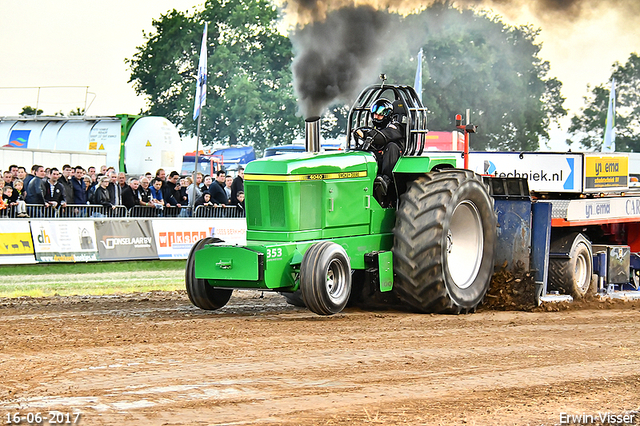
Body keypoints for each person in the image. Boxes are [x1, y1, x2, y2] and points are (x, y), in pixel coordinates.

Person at [354, 98, 404, 198]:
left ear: (387, 115)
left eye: (380, 115)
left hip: (395, 163)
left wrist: (365, 134)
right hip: (378, 160)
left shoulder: (396, 127)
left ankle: (385, 182)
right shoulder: (374, 129)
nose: (376, 117)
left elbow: (383, 136)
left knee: (391, 147)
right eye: (375, 114)